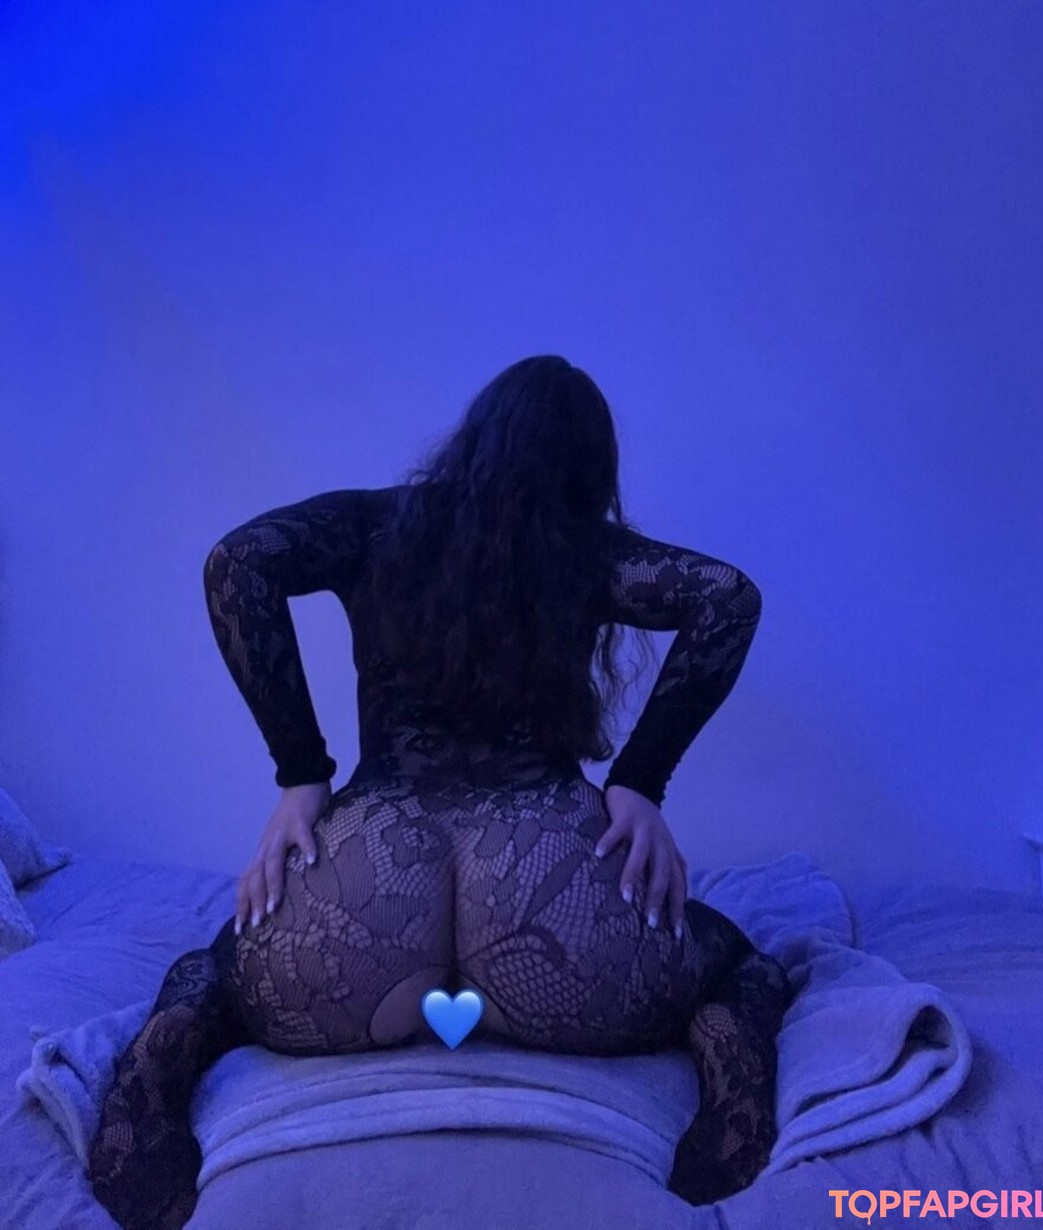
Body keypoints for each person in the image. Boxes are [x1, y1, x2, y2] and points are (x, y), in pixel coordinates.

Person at [87, 355, 792, 1230]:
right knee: (742, 965)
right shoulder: (583, 551)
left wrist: (301, 773)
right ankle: (731, 1072)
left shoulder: (372, 525)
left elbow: (238, 564)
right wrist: (639, 784)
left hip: (367, 889)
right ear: (591, 471)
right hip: (548, 898)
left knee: (211, 973)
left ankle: (160, 1067)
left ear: (473, 438)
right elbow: (727, 598)